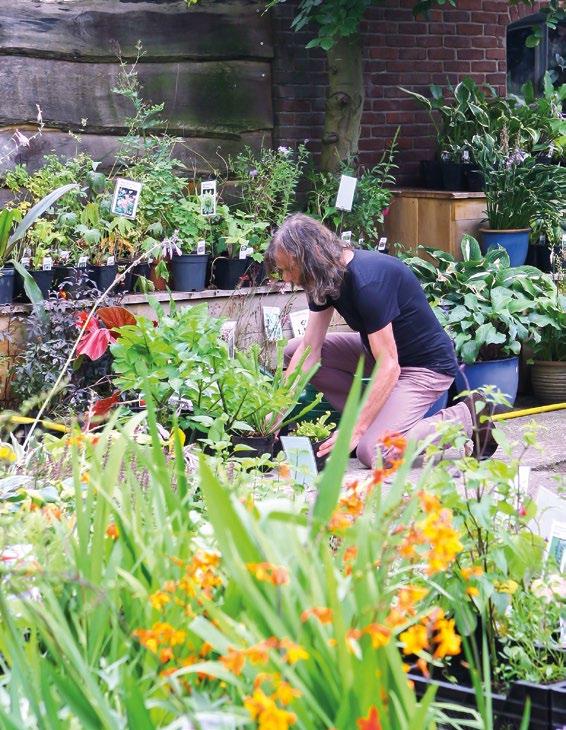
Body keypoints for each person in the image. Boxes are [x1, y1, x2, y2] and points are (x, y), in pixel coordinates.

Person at [266, 213, 496, 467]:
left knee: (374, 451)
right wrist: (275, 411)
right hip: (380, 355)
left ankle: (467, 416)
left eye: (289, 268)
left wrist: (355, 430)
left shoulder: (368, 282)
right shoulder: (323, 279)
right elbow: (310, 351)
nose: (286, 277)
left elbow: (390, 365)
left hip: (425, 367)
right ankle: (372, 417)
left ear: (311, 257)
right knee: (294, 350)